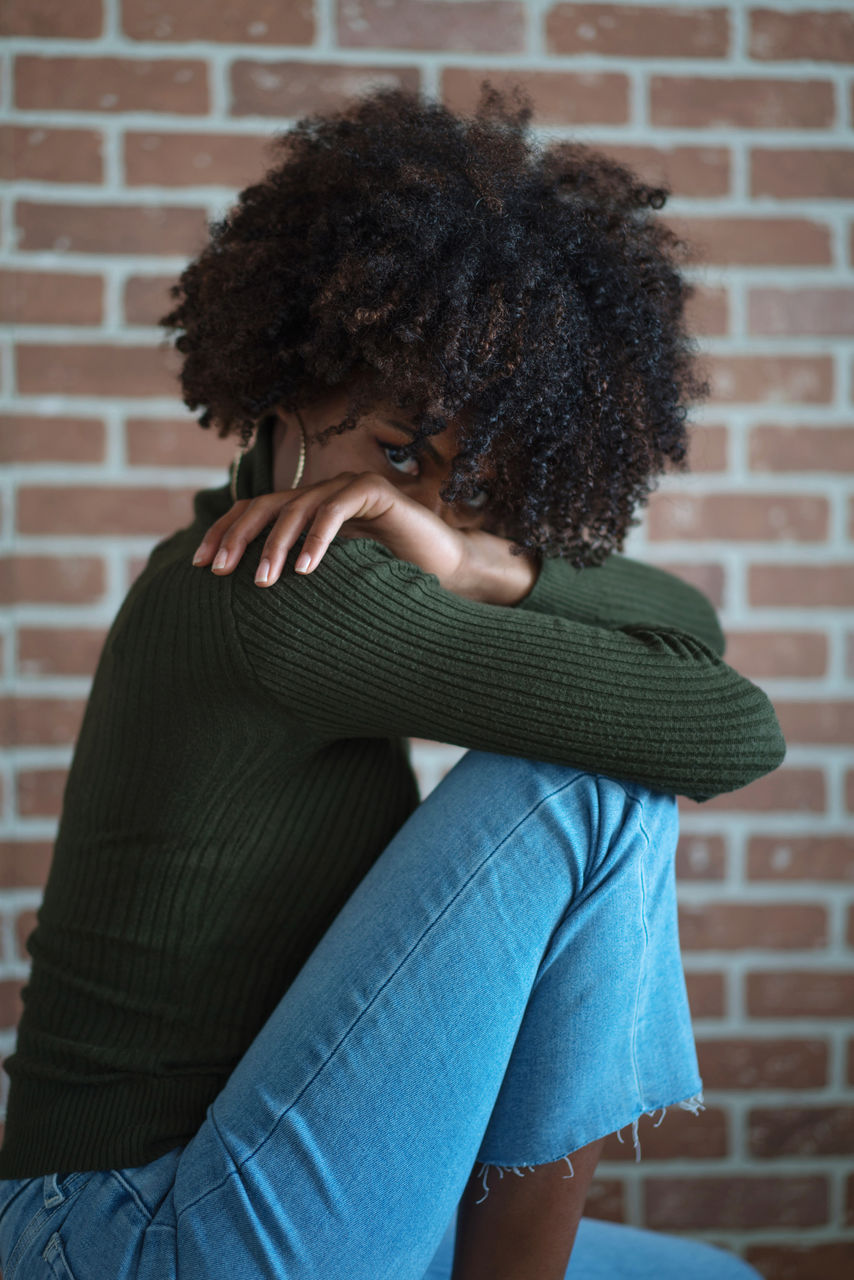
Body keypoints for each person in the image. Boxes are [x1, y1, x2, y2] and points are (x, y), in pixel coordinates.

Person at [0, 84, 782, 1279]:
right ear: (284, 396)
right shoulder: (278, 586)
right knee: (586, 781)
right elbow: (726, 724)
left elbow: (687, 626)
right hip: (125, 1226)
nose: (410, 508)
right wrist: (475, 561)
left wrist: (475, 559)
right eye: (396, 452)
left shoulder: (267, 568)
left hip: (226, 1181)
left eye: (467, 487)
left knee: (720, 1277)